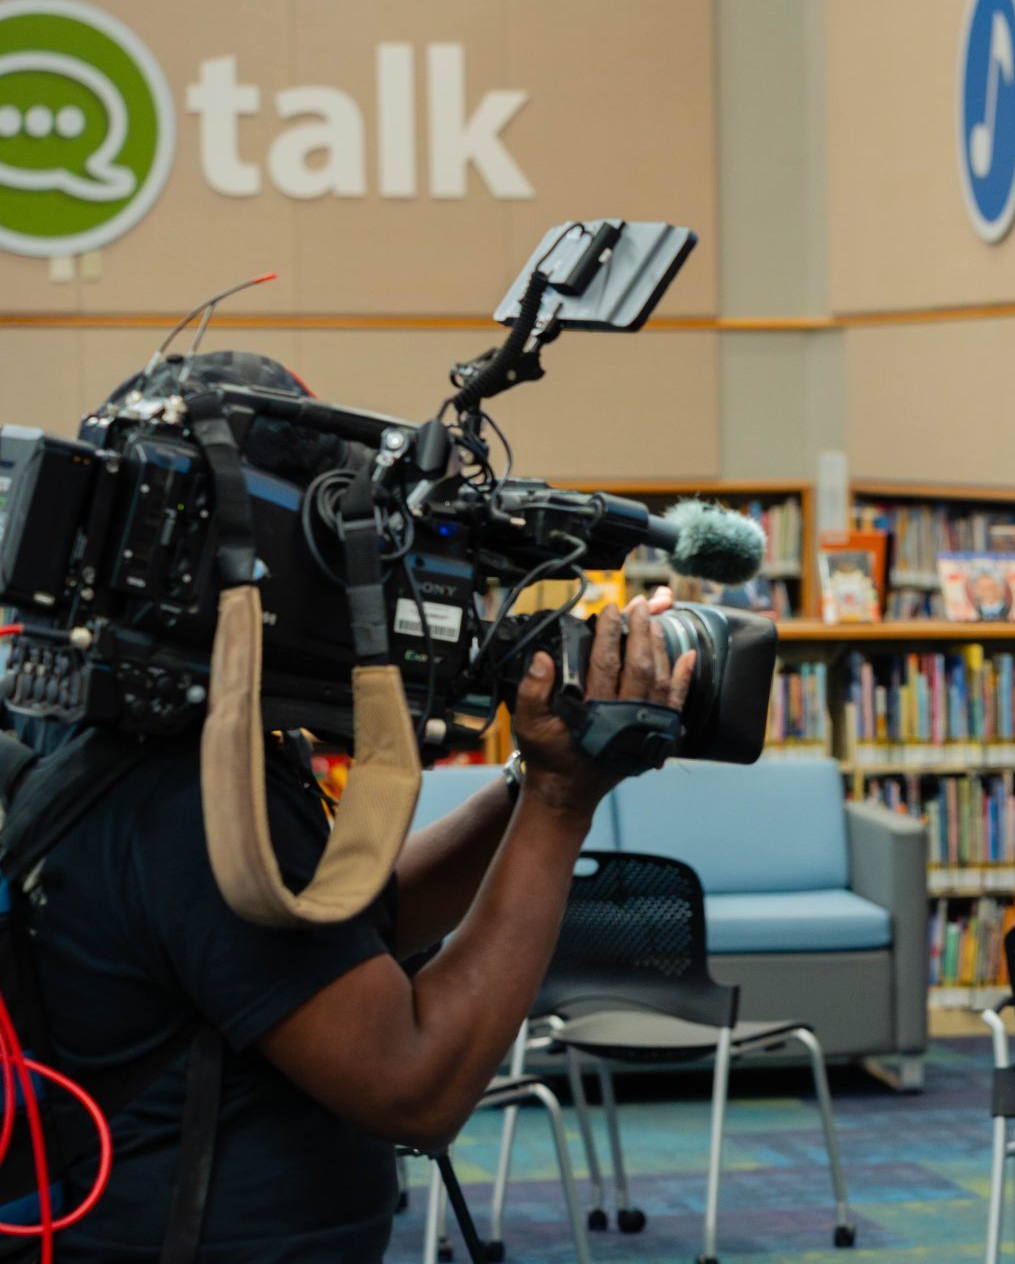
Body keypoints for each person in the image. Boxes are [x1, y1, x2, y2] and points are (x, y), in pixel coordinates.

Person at [32, 364, 700, 1261]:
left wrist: (529, 777)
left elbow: (357, 926)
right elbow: (415, 1089)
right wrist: (559, 802)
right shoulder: (191, 796)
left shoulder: (129, 740)